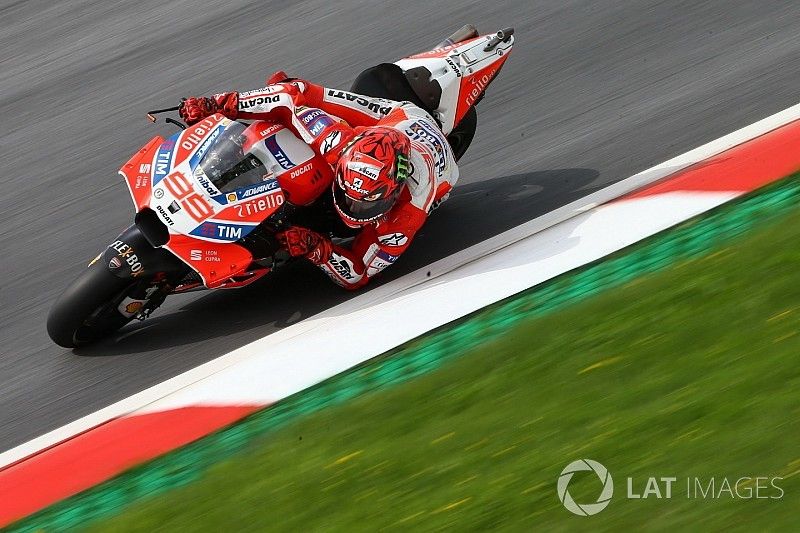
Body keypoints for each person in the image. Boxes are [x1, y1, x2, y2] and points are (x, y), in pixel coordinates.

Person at [179, 71, 459, 289]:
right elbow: (289, 98)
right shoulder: (336, 141)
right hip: (395, 119)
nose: (352, 210)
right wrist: (218, 104)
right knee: (301, 89)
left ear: (394, 194)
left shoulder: (405, 218)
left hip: (438, 163)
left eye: (363, 206)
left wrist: (317, 248)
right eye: (347, 194)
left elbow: (358, 274)